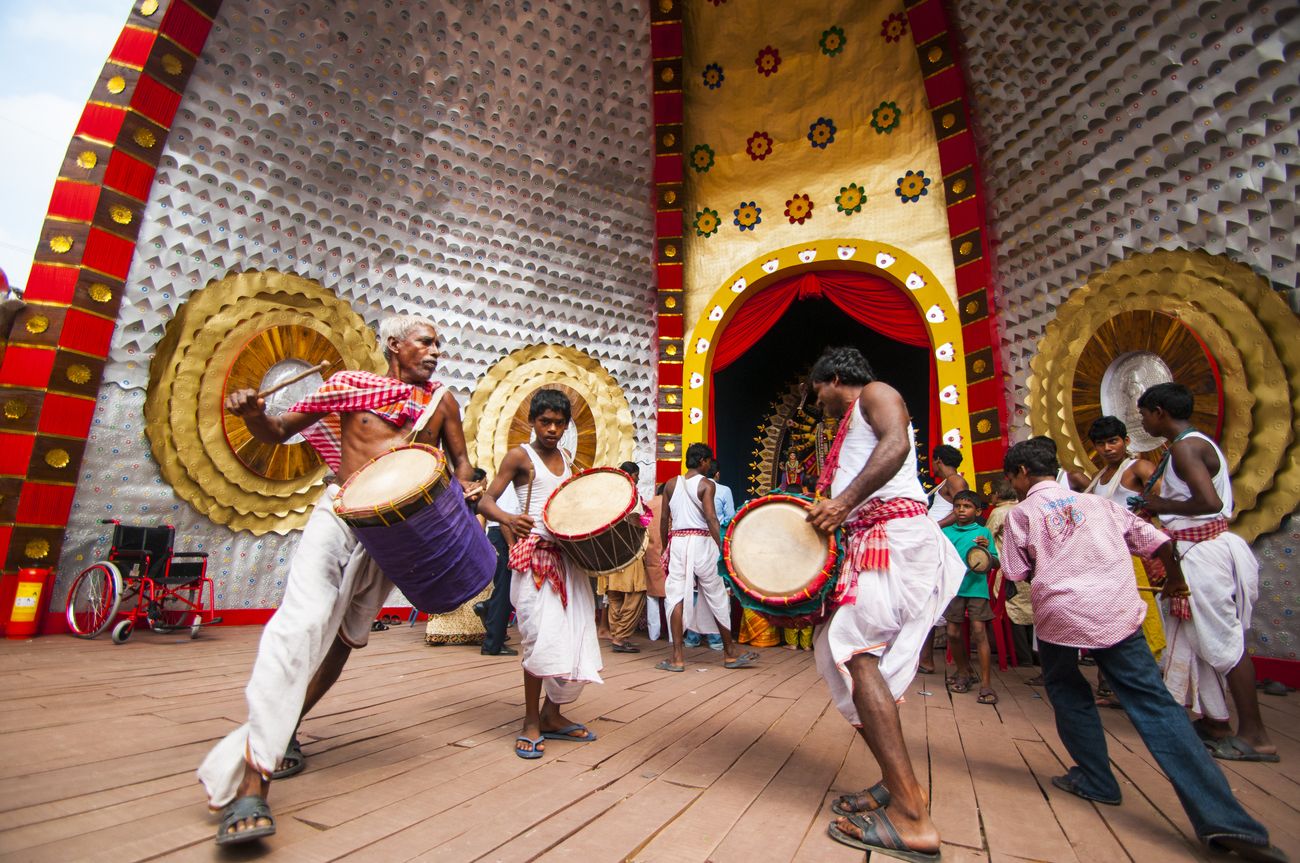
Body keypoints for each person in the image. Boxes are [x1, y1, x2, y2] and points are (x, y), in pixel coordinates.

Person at [199, 314, 474, 845]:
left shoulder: (442, 402)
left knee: (344, 642)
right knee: (300, 625)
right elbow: (277, 432)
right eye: (426, 341)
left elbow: (462, 464)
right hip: (343, 513)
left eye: (439, 343)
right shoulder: (348, 386)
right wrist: (255, 413)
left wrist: (463, 493)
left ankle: (286, 727)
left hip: (402, 533)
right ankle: (253, 783)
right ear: (394, 345)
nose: (436, 351)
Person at [1000, 438, 1284, 863]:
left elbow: (1016, 571)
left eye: (1012, 478)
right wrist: (1175, 581)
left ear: (1021, 473)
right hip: (1116, 610)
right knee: (1156, 707)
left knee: (1067, 691)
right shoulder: (1101, 504)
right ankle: (1228, 821)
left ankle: (1096, 779)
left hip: (1061, 616)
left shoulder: (1022, 513)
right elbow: (1160, 543)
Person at [804, 347, 962, 860]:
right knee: (834, 647)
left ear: (833, 377)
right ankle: (896, 787)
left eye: (817, 392)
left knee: (855, 650)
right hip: (876, 540)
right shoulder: (850, 420)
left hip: (893, 537)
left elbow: (895, 444)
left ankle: (913, 818)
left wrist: (843, 503)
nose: (816, 402)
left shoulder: (876, 392)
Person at [1136, 383, 1277, 763]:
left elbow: (1209, 502)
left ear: (1160, 411)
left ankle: (1256, 736)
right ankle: (1216, 722)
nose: (1144, 421)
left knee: (1224, 642)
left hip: (1203, 552)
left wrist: (1157, 503)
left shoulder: (1185, 447)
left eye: (1145, 414)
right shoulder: (1188, 445)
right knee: (1201, 642)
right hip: (1196, 549)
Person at [476, 389, 603, 759]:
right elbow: (484, 499)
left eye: (559, 423)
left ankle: (552, 715)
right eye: (545, 421)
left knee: (569, 638)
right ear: (532, 421)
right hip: (535, 561)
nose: (551, 428)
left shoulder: (566, 458)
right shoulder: (521, 456)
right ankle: (530, 721)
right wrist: (507, 518)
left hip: (568, 561)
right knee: (538, 639)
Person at [1082, 415, 1165, 704]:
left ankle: (1153, 691)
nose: (1107, 448)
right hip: (1109, 558)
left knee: (1142, 621)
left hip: (1136, 557)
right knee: (1114, 624)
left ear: (1126, 441)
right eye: (1101, 443)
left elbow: (1162, 504)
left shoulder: (1139, 467)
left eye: (1113, 441)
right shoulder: (1100, 476)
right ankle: (1121, 690)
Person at [657, 443, 756, 672]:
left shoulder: (671, 484)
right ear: (702, 461)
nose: (710, 465)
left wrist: (665, 547)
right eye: (709, 461)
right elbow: (712, 519)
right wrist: (723, 549)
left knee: (676, 596)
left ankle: (677, 657)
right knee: (717, 594)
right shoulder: (707, 484)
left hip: (679, 543)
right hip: (703, 542)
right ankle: (730, 653)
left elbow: (664, 519)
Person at [934, 490, 999, 705]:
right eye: (958, 506)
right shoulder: (946, 533)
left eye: (967, 506)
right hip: (954, 588)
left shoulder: (983, 533)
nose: (961, 510)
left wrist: (985, 551)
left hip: (976, 588)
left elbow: (996, 563)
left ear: (978, 511)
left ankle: (986, 683)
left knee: (979, 631)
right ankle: (963, 672)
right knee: (952, 633)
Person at [426, 467, 496, 646]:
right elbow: (478, 530)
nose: (485, 486)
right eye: (484, 483)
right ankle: (472, 630)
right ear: (477, 483)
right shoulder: (476, 503)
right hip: (468, 551)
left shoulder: (449, 501)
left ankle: (438, 632)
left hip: (448, 551)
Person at [985, 478, 1035, 669]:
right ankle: (1034, 654)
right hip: (1028, 566)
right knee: (1030, 611)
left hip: (1006, 569)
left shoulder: (999, 512)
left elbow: (987, 536)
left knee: (1012, 610)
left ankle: (1021, 656)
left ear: (997, 494)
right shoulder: (1025, 507)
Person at [604, 461, 648, 653]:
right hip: (629, 548)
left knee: (614, 594)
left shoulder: (609, 492)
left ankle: (617, 636)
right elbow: (633, 519)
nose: (638, 479)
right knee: (636, 593)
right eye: (637, 475)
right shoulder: (631, 493)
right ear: (632, 475)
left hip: (610, 550)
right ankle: (620, 638)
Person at [475, 477, 519, 656]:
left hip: (504, 536)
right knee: (504, 592)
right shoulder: (510, 485)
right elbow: (504, 519)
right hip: (503, 536)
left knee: (506, 590)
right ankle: (493, 645)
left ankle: (487, 607)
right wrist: (511, 546)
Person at [643, 483, 668, 640]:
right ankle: (673, 635)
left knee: (652, 596)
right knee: (671, 597)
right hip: (667, 554)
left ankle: (653, 634)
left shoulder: (648, 505)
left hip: (650, 553)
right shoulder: (669, 505)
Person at [926, 444, 967, 528]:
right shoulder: (948, 481)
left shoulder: (954, 480)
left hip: (939, 531)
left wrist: (936, 525)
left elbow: (962, 509)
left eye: (932, 461)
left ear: (938, 460)